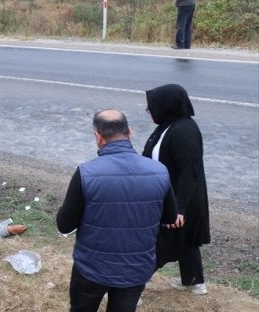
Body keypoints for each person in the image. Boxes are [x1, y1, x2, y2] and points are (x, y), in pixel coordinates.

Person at [57, 109, 177, 312]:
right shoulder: (159, 172)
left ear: (98, 137)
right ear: (129, 132)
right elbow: (170, 217)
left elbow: (65, 225)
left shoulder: (86, 173)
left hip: (92, 268)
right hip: (136, 268)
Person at [142, 84, 210, 295]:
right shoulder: (169, 126)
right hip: (172, 196)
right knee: (185, 241)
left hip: (181, 199)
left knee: (160, 244)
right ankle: (194, 282)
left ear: (166, 106)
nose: (149, 111)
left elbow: (189, 172)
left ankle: (131, 288)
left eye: (151, 107)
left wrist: (179, 209)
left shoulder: (185, 132)